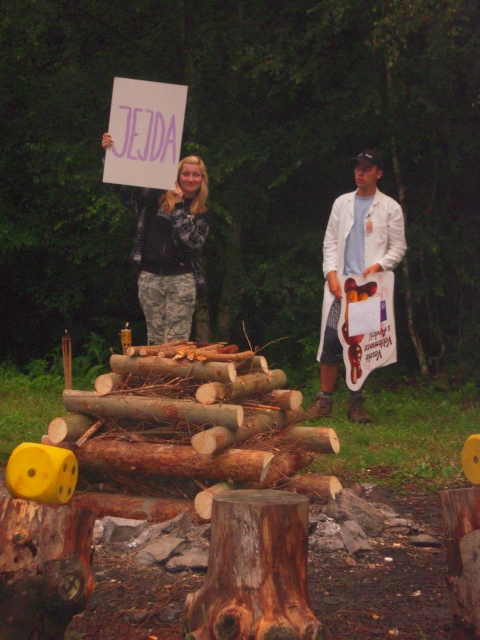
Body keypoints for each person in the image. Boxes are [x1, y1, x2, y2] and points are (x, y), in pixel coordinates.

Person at [306, 149, 407, 423]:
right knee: (331, 340)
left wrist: (379, 266)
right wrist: (331, 275)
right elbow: (329, 242)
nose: (360, 173)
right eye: (357, 168)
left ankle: (356, 404)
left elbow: (398, 247)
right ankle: (324, 401)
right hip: (340, 287)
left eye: (367, 168)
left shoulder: (390, 208)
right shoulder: (342, 203)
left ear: (379, 173)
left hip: (367, 289)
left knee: (361, 346)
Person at [102, 133, 210, 345]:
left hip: (181, 279)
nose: (190, 179)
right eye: (186, 174)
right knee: (155, 341)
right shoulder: (154, 199)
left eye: (195, 175)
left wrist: (179, 207)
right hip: (150, 277)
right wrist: (109, 154)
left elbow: (193, 242)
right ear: (178, 176)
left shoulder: (202, 212)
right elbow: (123, 192)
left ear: (202, 179)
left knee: (176, 344)